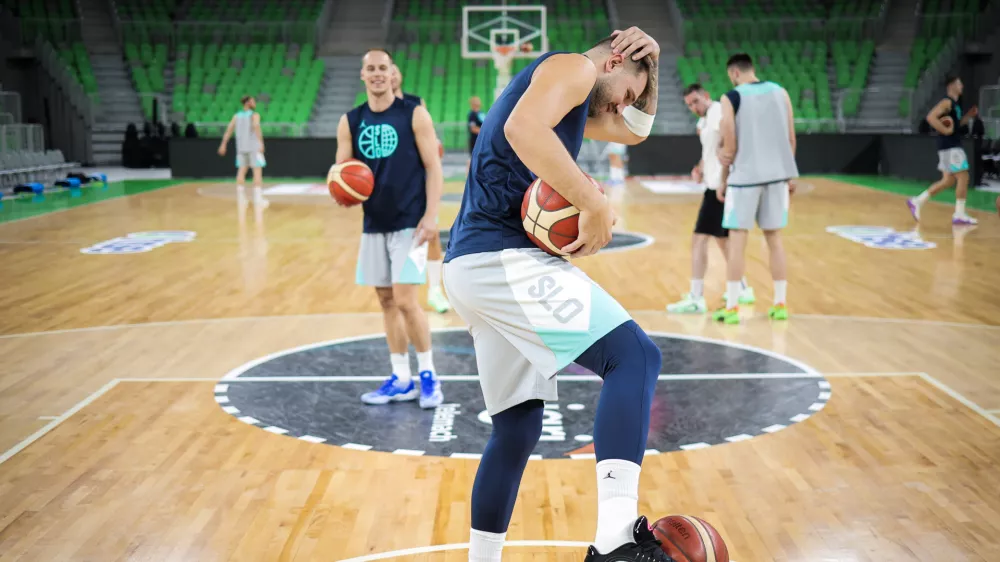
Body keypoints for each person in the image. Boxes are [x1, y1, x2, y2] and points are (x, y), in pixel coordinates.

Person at [443, 28, 675, 562]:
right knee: (634, 357)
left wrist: (653, 67)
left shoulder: (576, 96)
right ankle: (616, 540)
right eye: (628, 92)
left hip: (472, 265)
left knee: (517, 428)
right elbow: (523, 128)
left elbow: (634, 133)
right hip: (501, 257)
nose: (624, 105)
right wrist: (592, 201)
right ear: (612, 61)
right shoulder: (575, 67)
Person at [336, 49, 444, 409]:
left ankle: (428, 375)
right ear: (363, 75)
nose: (378, 73)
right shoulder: (350, 121)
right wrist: (341, 189)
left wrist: (431, 216)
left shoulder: (413, 113)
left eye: (383, 68)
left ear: (392, 72)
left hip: (409, 224)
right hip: (373, 225)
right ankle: (401, 378)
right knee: (386, 301)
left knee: (406, 301)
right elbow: (342, 171)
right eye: (371, 68)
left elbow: (433, 167)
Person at [713, 53, 797, 325]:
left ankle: (733, 307)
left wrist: (723, 176)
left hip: (744, 179)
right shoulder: (781, 92)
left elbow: (730, 144)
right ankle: (780, 304)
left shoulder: (731, 97)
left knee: (737, 241)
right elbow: (791, 138)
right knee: (774, 240)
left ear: (734, 73)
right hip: (777, 177)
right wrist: (788, 173)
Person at [667, 83, 754, 314]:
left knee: (699, 239)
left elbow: (728, 145)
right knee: (722, 241)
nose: (693, 107)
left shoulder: (718, 113)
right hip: (713, 184)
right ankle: (743, 288)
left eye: (696, 101)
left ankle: (696, 298)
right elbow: (709, 152)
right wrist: (700, 168)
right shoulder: (703, 122)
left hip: (719, 187)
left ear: (706, 96)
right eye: (689, 105)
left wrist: (724, 179)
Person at [390, 64, 452, 313]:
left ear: (399, 75)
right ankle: (401, 292)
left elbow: (429, 137)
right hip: (390, 183)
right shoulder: (372, 112)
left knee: (431, 234)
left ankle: (435, 290)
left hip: (417, 179)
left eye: (394, 70)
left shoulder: (416, 103)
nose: (390, 75)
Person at [907, 75, 979, 225]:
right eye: (959, 83)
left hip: (947, 146)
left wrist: (968, 116)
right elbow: (931, 117)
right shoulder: (947, 102)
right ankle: (959, 214)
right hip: (951, 145)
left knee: (948, 180)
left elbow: (957, 125)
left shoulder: (955, 104)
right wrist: (944, 130)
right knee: (963, 177)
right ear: (951, 85)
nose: (961, 86)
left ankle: (917, 201)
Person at [218, 95, 268, 207]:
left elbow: (228, 130)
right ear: (248, 103)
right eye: (253, 101)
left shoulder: (236, 116)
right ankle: (258, 200)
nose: (255, 103)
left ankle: (241, 200)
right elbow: (256, 127)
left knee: (241, 171)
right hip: (253, 148)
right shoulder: (254, 115)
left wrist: (223, 144)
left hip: (241, 148)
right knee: (257, 172)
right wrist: (261, 143)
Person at [467, 96, 484, 166]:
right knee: (473, 158)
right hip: (475, 140)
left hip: (481, 140)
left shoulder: (481, 113)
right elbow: (473, 128)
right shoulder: (472, 114)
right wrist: (483, 132)